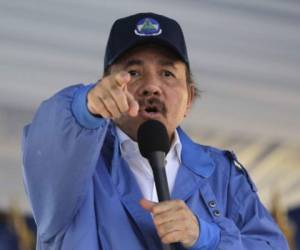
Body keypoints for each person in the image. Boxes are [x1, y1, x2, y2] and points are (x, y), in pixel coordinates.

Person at [22, 12, 289, 250]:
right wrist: (84, 107)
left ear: (190, 98)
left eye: (168, 74)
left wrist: (207, 237)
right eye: (134, 72)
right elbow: (46, 143)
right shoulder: (74, 168)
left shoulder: (223, 174)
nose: (152, 86)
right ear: (107, 87)